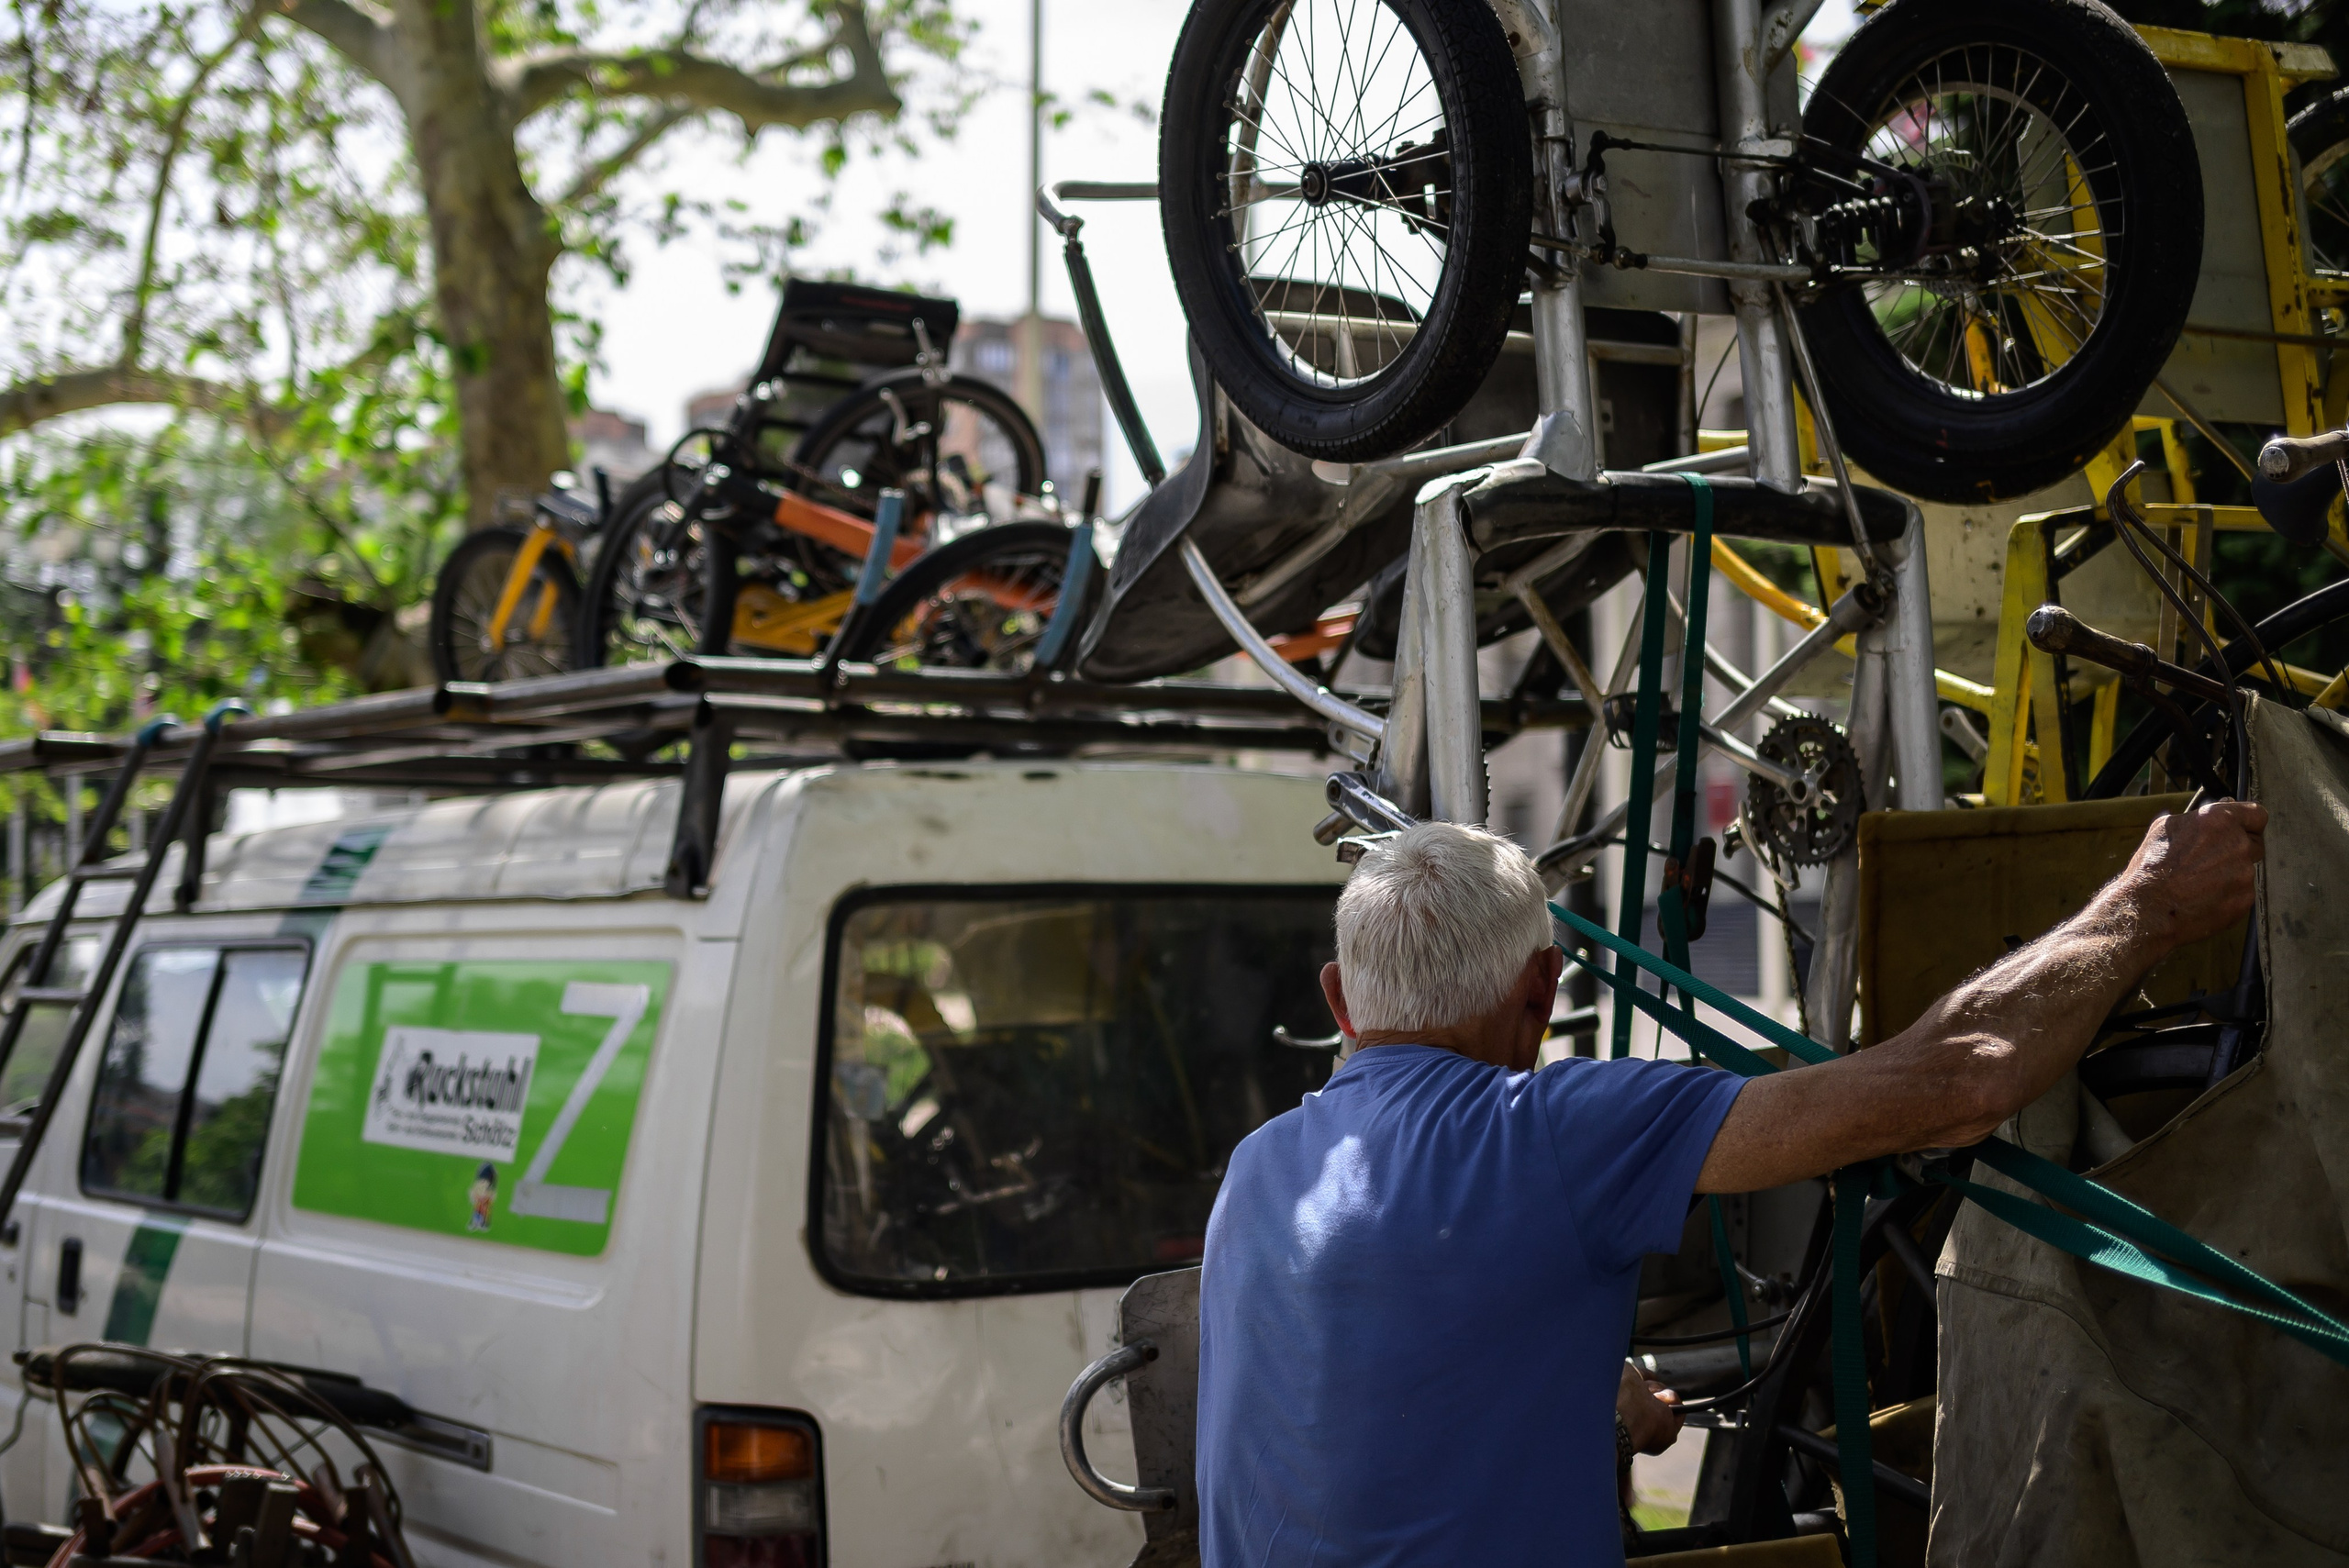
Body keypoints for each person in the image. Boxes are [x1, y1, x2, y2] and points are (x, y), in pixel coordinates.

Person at [1195, 804, 2265, 1567]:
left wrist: (1592, 1399)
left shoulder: (1253, 1173)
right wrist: (2146, 906)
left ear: (1340, 998)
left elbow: (1387, 1371)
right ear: (1540, 989)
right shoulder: (1558, 1129)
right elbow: (1956, 1081)